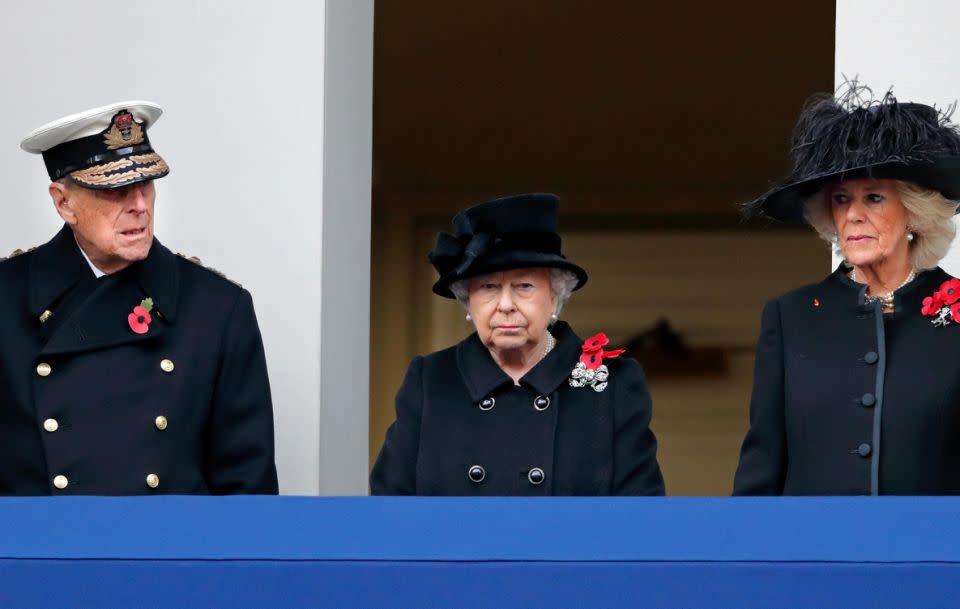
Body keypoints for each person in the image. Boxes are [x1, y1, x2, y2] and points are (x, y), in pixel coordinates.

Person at [0, 101, 278, 495]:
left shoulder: (217, 309)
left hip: (165, 551)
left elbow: (246, 495)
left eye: (145, 184)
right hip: (38, 552)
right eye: (115, 190)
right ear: (64, 203)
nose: (140, 206)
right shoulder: (7, 299)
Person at [734, 83, 960, 495]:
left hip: (935, 554)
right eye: (840, 199)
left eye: (873, 198)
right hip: (812, 552)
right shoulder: (792, 316)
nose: (853, 215)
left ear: (914, 211)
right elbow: (762, 465)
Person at [370, 193, 664, 495]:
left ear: (555, 296)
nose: (506, 304)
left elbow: (640, 516)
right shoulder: (430, 380)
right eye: (488, 287)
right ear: (468, 302)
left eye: (524, 286)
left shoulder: (612, 383)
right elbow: (389, 508)